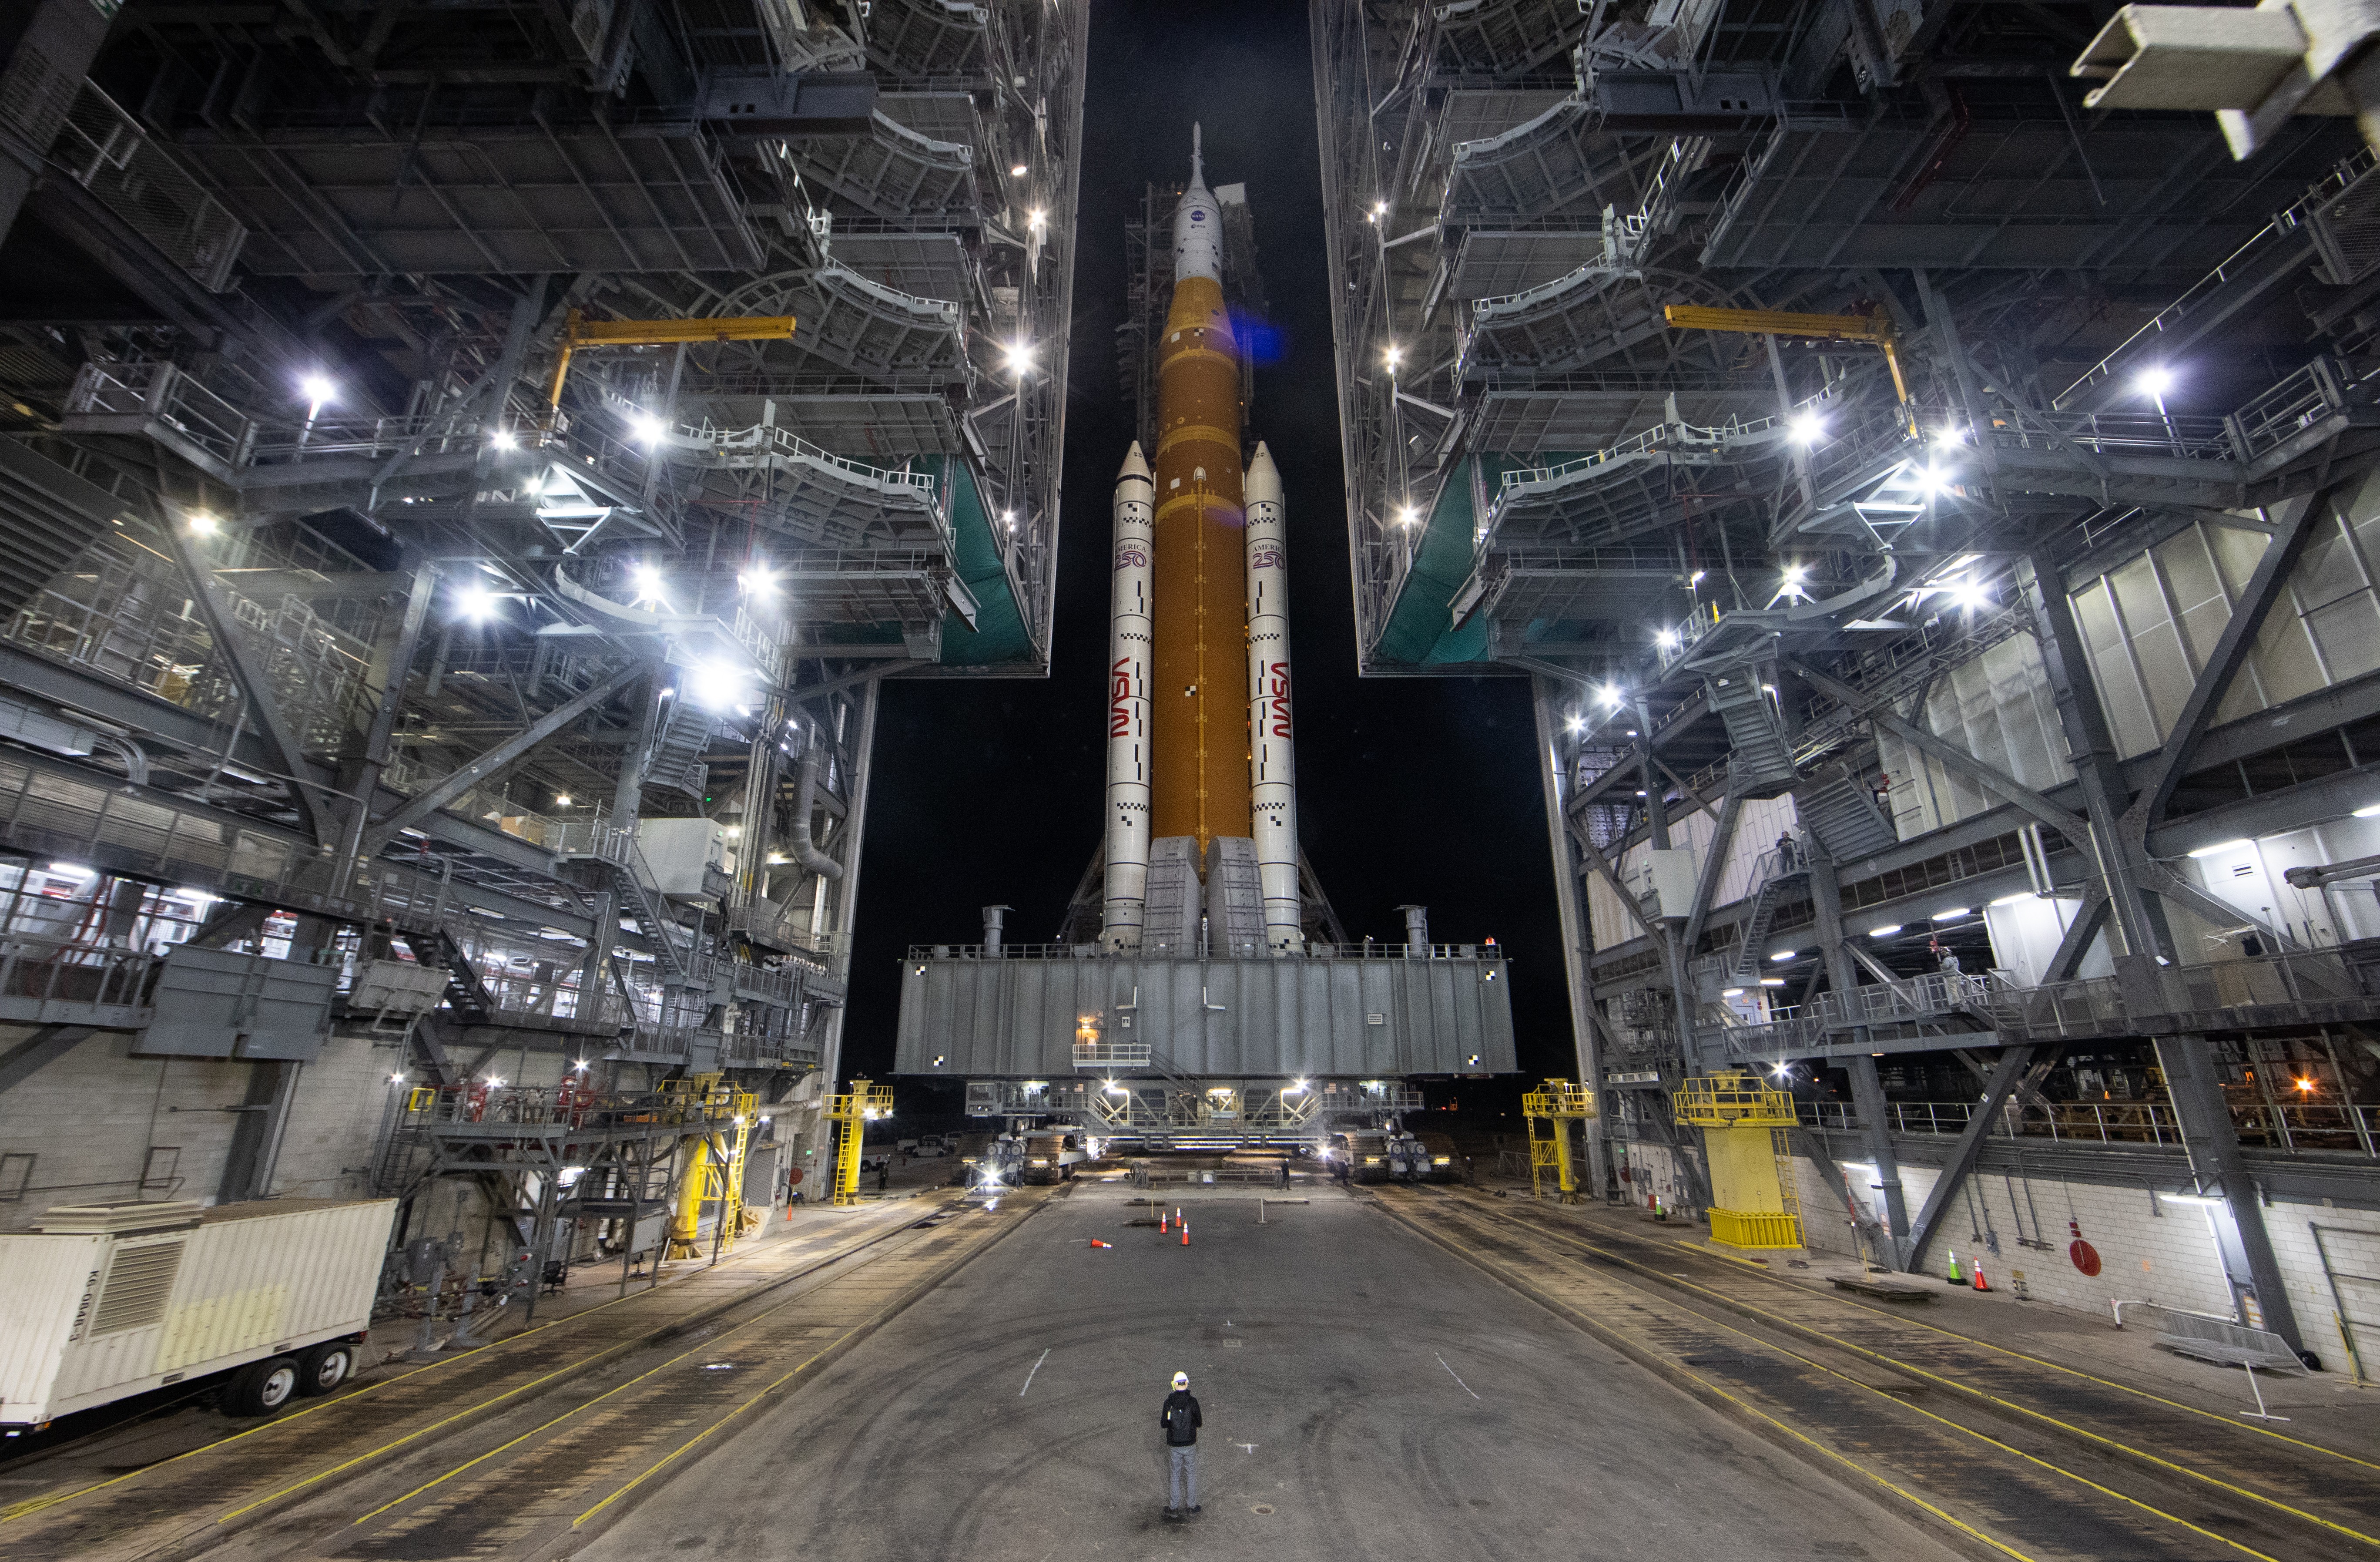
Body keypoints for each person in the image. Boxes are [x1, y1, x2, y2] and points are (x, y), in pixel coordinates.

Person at [1160, 1370, 1201, 1520]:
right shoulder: (1193, 1402)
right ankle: (1191, 1506)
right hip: (1190, 1444)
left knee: (1175, 1475)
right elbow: (1199, 1423)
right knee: (1190, 1474)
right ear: (1187, 1384)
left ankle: (1174, 1507)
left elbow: (1164, 1424)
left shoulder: (1169, 1403)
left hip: (1174, 1445)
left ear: (1174, 1385)